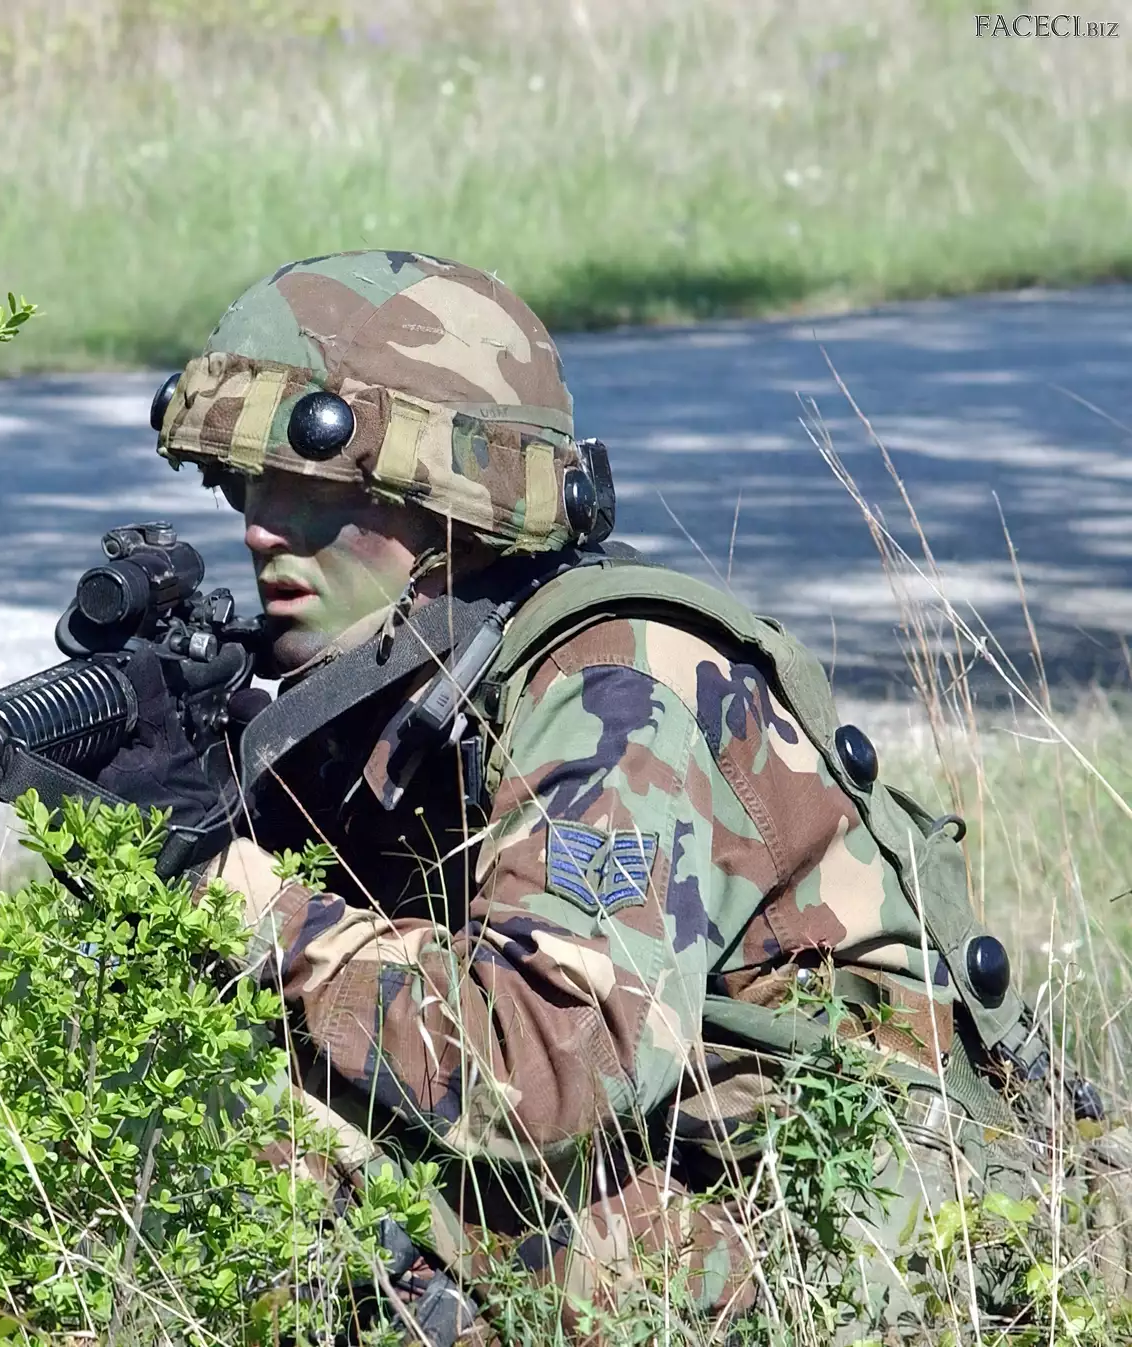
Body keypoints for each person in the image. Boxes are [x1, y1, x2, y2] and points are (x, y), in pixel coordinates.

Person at [96, 250, 1127, 1342]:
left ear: (447, 503)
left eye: (310, 487)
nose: (260, 527)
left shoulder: (614, 686)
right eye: (242, 487)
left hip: (856, 1217)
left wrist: (227, 888)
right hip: (687, 1164)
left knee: (295, 1130)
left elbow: (551, 1061)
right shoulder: (426, 668)